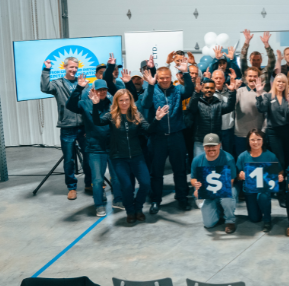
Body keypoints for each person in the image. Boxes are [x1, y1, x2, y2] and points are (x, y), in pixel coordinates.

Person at [91, 88, 167, 224]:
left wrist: (157, 119)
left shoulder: (136, 114)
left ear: (131, 100)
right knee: (126, 186)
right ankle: (130, 211)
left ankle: (138, 208)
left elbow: (148, 129)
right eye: (121, 100)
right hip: (119, 158)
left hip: (137, 156)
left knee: (145, 183)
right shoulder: (111, 115)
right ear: (117, 102)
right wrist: (95, 105)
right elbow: (97, 122)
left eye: (127, 100)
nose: (124, 102)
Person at [139, 59, 194, 213]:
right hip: (158, 138)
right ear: (157, 77)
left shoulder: (177, 90)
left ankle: (182, 198)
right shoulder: (152, 89)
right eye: (161, 77)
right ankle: (156, 200)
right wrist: (150, 85)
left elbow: (189, 90)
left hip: (176, 136)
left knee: (180, 170)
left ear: (171, 77)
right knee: (156, 172)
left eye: (167, 77)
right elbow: (145, 104)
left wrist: (186, 73)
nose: (164, 80)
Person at [66, 75, 122, 216]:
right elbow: (70, 105)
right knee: (97, 179)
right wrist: (79, 88)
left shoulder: (112, 103)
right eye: (99, 90)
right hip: (95, 148)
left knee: (116, 177)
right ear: (93, 90)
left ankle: (119, 200)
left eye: (104, 90)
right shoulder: (85, 103)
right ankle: (99, 204)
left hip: (112, 146)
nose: (102, 92)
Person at [41, 56, 87, 199]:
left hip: (84, 127)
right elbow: (45, 88)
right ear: (65, 67)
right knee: (69, 159)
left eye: (75, 67)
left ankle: (90, 183)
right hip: (67, 127)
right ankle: (72, 187)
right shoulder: (58, 83)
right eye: (71, 67)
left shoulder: (84, 83)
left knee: (89, 156)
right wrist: (46, 70)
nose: (73, 70)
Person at [190, 133, 239, 234]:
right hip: (209, 193)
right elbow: (193, 178)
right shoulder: (197, 160)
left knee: (228, 197)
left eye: (214, 145)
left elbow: (231, 181)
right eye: (208, 146)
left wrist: (213, 191)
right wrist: (197, 187)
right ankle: (219, 211)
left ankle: (230, 221)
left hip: (225, 189)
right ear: (203, 147)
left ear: (219, 145)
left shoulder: (228, 158)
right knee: (208, 224)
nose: (211, 148)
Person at [236, 129, 281, 232]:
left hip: (264, 189)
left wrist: (279, 176)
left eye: (258, 139)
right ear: (248, 141)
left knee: (263, 196)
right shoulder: (242, 156)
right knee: (254, 219)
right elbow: (236, 175)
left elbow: (280, 171)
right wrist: (240, 175)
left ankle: (267, 219)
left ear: (263, 140)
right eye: (252, 140)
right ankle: (259, 209)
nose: (255, 142)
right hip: (249, 190)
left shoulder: (270, 156)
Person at [185, 76, 239, 157]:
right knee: (200, 165)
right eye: (206, 88)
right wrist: (196, 92)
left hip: (216, 140)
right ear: (202, 89)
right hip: (200, 141)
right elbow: (191, 108)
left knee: (218, 165)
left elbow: (229, 107)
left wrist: (232, 92)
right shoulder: (197, 102)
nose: (209, 90)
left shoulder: (218, 102)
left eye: (211, 88)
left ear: (214, 90)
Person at [255, 73, 289, 170]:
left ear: (286, 84)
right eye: (278, 81)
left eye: (283, 82)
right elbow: (262, 109)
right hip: (274, 132)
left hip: (288, 131)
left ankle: (288, 180)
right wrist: (259, 94)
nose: (281, 84)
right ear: (274, 83)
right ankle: (281, 180)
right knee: (279, 158)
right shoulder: (268, 96)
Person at [234, 67, 268, 157]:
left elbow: (266, 115)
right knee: (241, 161)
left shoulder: (264, 94)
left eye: (255, 76)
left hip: (257, 136)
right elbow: (232, 105)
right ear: (245, 78)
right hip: (241, 134)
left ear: (259, 78)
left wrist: (263, 132)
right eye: (250, 76)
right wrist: (234, 90)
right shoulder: (239, 91)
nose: (252, 78)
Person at [209, 69, 237, 155]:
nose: (218, 80)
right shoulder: (208, 93)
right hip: (213, 130)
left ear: (224, 79)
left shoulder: (230, 90)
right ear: (212, 79)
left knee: (228, 154)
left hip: (228, 129)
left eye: (220, 78)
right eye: (216, 78)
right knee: (214, 154)